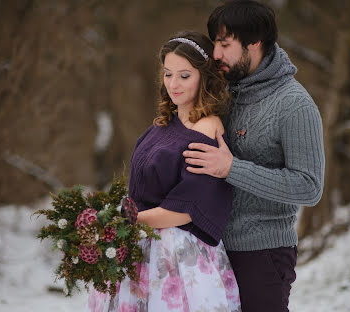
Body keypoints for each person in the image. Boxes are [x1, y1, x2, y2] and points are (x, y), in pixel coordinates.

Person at [182, 1, 325, 311]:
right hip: (211, 249)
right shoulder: (224, 94)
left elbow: (309, 186)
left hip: (263, 256)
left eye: (224, 44)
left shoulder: (294, 105)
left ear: (255, 41)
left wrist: (232, 168)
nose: (215, 54)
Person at [86, 31, 241, 312]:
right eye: (168, 74)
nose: (173, 84)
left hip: (176, 256)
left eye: (184, 75)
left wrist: (122, 224)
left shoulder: (207, 128)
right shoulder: (163, 123)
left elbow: (188, 209)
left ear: (204, 78)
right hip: (142, 243)